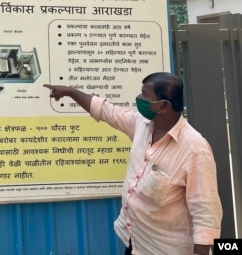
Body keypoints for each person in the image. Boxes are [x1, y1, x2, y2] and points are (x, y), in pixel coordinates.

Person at [45, 72, 222, 255]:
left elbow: (206, 215)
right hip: (135, 242)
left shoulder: (195, 149)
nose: (139, 98)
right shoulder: (142, 124)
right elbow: (107, 111)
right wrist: (69, 92)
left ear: (163, 106)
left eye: (145, 95)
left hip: (166, 249)